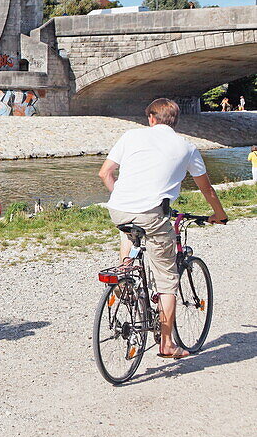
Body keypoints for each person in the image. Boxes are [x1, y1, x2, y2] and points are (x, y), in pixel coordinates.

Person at [97, 98, 227, 359]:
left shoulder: (131, 135)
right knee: (167, 282)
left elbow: (105, 173)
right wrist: (219, 214)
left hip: (118, 208)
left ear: (151, 118)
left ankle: (125, 279)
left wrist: (124, 198)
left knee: (129, 230)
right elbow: (207, 189)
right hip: (153, 214)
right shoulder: (187, 147)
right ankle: (167, 345)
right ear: (174, 121)